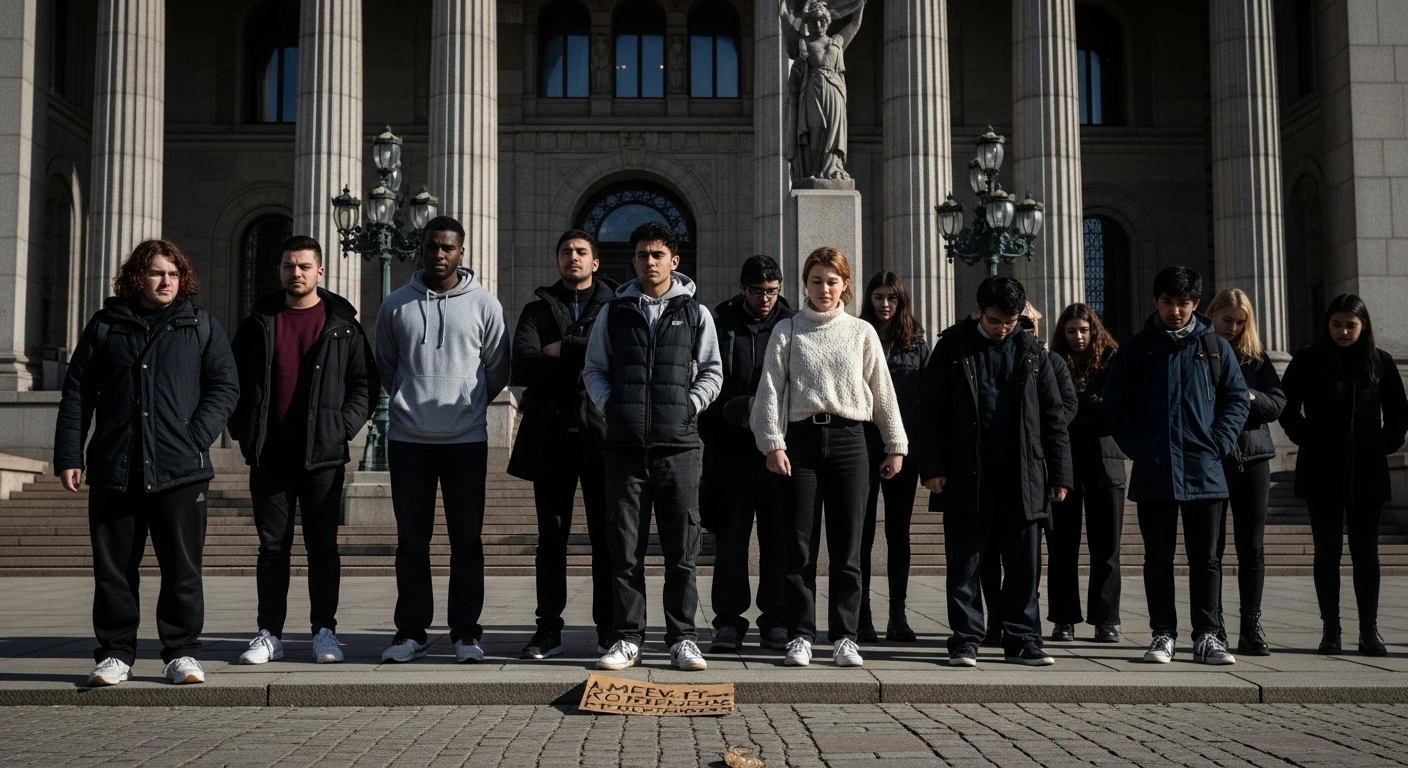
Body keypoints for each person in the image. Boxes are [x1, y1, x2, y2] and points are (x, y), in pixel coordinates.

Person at [54, 239, 240, 686]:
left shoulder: (200, 325)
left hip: (181, 469)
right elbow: (78, 394)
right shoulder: (106, 326)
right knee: (114, 570)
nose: (166, 282)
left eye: (174, 274)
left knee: (182, 568)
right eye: (158, 273)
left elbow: (225, 387)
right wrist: (68, 455)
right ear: (138, 277)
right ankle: (116, 654)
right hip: (116, 468)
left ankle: (181, 654)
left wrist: (194, 436)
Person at [752, 247, 907, 669]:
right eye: (817, 280)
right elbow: (770, 390)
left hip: (850, 442)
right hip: (800, 444)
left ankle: (844, 637)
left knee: (848, 548)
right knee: (798, 548)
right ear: (805, 284)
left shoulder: (861, 332)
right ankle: (800, 635)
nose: (824, 288)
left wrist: (895, 444)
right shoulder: (788, 330)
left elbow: (882, 391)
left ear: (845, 286)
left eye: (832, 281)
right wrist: (772, 443)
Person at [228, 235, 378, 666]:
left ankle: (324, 631)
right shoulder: (258, 321)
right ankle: (268, 633)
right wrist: (243, 430)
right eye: (289, 266)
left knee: (323, 548)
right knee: (272, 549)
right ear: (280, 271)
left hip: (323, 456)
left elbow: (364, 384)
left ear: (320, 272)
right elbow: (230, 380)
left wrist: (341, 428)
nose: (297, 273)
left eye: (304, 266)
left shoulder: (343, 325)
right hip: (270, 453)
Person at [584, 221, 723, 672]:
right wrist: (614, 408)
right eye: (642, 254)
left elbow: (713, 372)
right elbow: (594, 370)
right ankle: (627, 639)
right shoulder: (614, 312)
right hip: (624, 448)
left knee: (682, 552)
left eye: (658, 254)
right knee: (625, 551)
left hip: (678, 448)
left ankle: (683, 638)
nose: (649, 262)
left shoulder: (696, 313)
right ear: (634, 260)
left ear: (674, 261)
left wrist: (688, 406)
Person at [917, 277, 1072, 668]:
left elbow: (1054, 417)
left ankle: (1023, 639)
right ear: (979, 310)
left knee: (1024, 565)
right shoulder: (952, 346)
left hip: (1024, 475)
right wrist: (932, 467)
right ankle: (966, 639)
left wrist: (1060, 475)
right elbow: (929, 412)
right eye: (995, 320)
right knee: (966, 564)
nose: (1003, 327)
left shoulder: (1033, 350)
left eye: (1011, 320)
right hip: (968, 474)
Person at [374, 216, 509, 664]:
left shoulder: (485, 305)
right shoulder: (395, 304)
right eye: (432, 246)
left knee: (466, 540)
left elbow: (496, 368)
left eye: (447, 247)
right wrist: (413, 400)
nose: (439, 254)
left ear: (461, 252)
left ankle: (466, 633)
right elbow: (386, 365)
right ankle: (409, 633)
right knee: (412, 541)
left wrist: (466, 405)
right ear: (422, 249)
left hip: (465, 439)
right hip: (409, 439)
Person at [1103, 266, 1250, 666]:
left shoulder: (1215, 347)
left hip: (1205, 469)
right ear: (1156, 302)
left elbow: (1236, 400)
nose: (1175, 310)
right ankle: (1163, 633)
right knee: (1158, 558)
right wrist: (1138, 447)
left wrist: (1216, 443)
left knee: (1206, 559)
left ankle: (1206, 635)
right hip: (1155, 469)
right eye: (1168, 302)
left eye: (1183, 303)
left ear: (1196, 304)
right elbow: (1114, 406)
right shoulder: (1135, 349)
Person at [508, 230, 617, 659]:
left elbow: (620, 358)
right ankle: (547, 630)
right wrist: (585, 364)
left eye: (581, 252)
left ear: (595, 262)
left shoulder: (615, 307)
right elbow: (523, 364)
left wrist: (564, 348)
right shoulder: (536, 309)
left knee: (605, 541)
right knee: (550, 541)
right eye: (566, 252)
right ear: (557, 261)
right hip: (550, 438)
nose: (573, 257)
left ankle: (608, 629)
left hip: (602, 437)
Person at [1280, 294, 1408, 656]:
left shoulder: (1380, 362)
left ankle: (1370, 631)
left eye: (1350, 325)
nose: (1343, 331)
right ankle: (1330, 630)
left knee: (1366, 554)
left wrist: (1381, 446)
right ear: (1327, 325)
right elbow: (1285, 407)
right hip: (1321, 472)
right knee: (1327, 553)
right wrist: (1308, 440)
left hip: (1367, 473)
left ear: (1363, 325)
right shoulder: (1308, 359)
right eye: (1336, 324)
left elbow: (1399, 413)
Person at [701, 255, 795, 653]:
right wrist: (735, 410)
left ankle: (775, 621)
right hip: (729, 451)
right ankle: (728, 622)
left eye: (772, 292)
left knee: (778, 544)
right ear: (742, 289)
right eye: (758, 292)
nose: (766, 299)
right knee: (730, 546)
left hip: (778, 454)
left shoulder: (792, 326)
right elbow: (705, 380)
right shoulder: (719, 325)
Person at [980, 302, 1077, 645]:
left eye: (1027, 323)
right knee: (988, 555)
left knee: (1025, 557)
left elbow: (1063, 409)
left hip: (1033, 469)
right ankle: (995, 618)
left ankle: (1019, 621)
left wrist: (1029, 429)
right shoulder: (993, 357)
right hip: (993, 469)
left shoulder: (1050, 361)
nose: (1021, 328)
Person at [1206, 288, 1285, 656]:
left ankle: (1250, 625)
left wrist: (1248, 396)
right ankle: (1214, 625)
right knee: (1212, 549)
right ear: (1213, 314)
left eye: (1240, 322)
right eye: (1227, 320)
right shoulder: (1199, 352)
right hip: (1213, 461)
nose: (1233, 328)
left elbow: (1277, 403)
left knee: (1251, 548)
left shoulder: (1256, 358)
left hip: (1253, 460)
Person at [1045, 303, 1126, 644]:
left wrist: (1078, 407)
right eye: (1070, 331)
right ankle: (1064, 618)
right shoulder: (1053, 363)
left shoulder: (1113, 362)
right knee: (1062, 546)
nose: (1078, 337)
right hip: (1064, 463)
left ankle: (1105, 619)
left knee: (1106, 548)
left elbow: (1116, 410)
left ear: (1095, 331)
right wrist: (1087, 406)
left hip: (1106, 463)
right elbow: (1051, 412)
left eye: (1084, 330)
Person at [855, 271, 928, 643]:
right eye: (879, 297)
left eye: (892, 298)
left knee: (898, 533)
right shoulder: (855, 333)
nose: (884, 304)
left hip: (904, 449)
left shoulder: (916, 343)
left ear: (901, 302)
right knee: (862, 535)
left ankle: (897, 615)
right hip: (863, 446)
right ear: (869, 298)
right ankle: (861, 614)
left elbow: (926, 402)